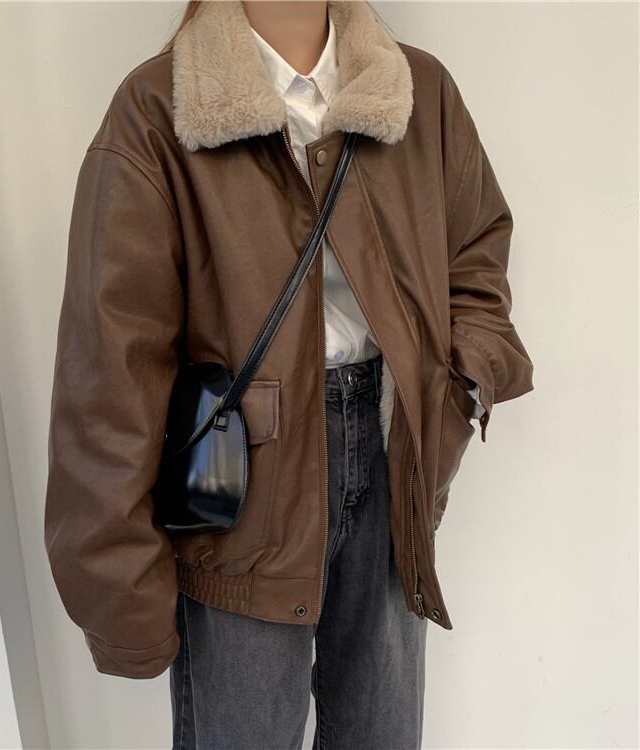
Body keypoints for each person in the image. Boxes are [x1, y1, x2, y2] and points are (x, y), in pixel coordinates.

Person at [43, 1, 535, 748]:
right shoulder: (160, 107)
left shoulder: (416, 88)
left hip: (391, 448)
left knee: (382, 732)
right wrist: (117, 584)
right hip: (241, 477)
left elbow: (476, 248)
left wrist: (460, 379)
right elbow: (111, 361)